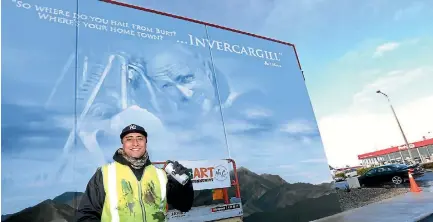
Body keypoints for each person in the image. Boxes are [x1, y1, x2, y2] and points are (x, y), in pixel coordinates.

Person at [75, 124, 194, 222]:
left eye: (140, 138)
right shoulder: (105, 173)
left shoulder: (160, 175)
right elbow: (86, 215)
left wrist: (184, 185)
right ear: (123, 143)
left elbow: (184, 205)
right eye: (129, 139)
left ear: (146, 143)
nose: (135, 143)